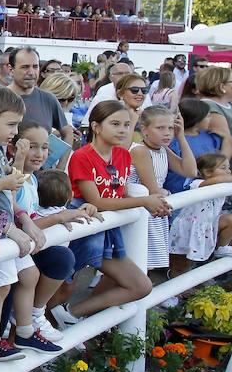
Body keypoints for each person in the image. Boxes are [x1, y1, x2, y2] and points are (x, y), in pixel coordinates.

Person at [51, 101, 166, 326]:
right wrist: (143, 201)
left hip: (108, 233)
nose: (122, 130)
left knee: (140, 286)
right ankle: (37, 333)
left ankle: (72, 314)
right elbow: (96, 201)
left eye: (125, 124)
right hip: (82, 232)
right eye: (115, 124)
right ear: (96, 126)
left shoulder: (123, 155)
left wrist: (145, 201)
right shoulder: (82, 156)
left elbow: (116, 194)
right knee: (62, 289)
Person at [0, 87, 57, 358]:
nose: (14, 130)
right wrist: (5, 185)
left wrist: (23, 222)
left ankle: (25, 332)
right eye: (11, 124)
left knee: (29, 274)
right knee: (0, 286)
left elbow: (8, 194)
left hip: (6, 223)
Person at [12, 122, 80, 342]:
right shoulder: (15, 180)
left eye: (44, 148)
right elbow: (21, 225)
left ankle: (35, 313)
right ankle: (28, 319)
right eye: (32, 146)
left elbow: (33, 220)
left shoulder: (34, 179)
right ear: (16, 148)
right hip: (14, 253)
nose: (40, 154)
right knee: (59, 258)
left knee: (62, 258)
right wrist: (58, 218)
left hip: (28, 251)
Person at [128, 105, 197, 272]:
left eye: (171, 128)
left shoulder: (163, 150)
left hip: (154, 212)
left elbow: (190, 171)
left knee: (147, 266)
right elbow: (152, 189)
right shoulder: (140, 151)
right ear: (145, 130)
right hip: (141, 212)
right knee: (138, 264)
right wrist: (164, 192)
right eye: (160, 128)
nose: (167, 133)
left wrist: (181, 138)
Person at [169, 152, 232, 273]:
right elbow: (221, 179)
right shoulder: (197, 183)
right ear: (207, 172)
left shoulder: (223, 186)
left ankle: (222, 248)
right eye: (223, 168)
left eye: (229, 168)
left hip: (209, 225)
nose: (228, 171)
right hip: (190, 227)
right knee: (182, 262)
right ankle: (175, 279)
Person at [164, 99, 232, 195]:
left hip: (209, 190)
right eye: (207, 116)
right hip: (183, 191)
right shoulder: (174, 141)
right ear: (197, 119)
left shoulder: (209, 136)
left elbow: (221, 160)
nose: (210, 119)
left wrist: (227, 138)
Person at [7, 47, 73, 145]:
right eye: (25, 67)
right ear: (11, 69)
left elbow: (67, 132)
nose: (31, 72)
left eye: (35, 67)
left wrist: (62, 160)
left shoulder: (48, 99)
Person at [197, 66, 232, 169]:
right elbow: (229, 143)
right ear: (222, 86)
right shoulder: (210, 107)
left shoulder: (228, 104)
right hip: (229, 167)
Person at [114, 73, 148, 144]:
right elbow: (121, 150)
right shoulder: (113, 116)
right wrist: (132, 122)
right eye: (134, 90)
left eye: (144, 90)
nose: (140, 94)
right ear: (120, 93)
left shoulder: (145, 116)